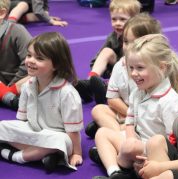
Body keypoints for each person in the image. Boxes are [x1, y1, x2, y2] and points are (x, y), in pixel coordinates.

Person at [90, 34, 178, 179]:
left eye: (140, 68)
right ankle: (115, 172)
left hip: (155, 153)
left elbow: (174, 142)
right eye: (131, 68)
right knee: (102, 133)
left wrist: (143, 156)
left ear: (162, 67)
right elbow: (130, 118)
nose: (134, 74)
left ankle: (119, 163)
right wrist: (130, 140)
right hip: (137, 142)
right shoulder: (138, 91)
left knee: (129, 147)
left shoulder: (170, 101)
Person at [0, 32, 84, 173]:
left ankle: (18, 156)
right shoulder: (28, 86)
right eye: (29, 55)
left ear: (56, 64)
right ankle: (45, 156)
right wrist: (17, 132)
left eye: (39, 58)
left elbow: (73, 132)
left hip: (57, 137)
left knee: (58, 141)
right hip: (35, 132)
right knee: (2, 126)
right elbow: (22, 119)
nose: (30, 60)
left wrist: (77, 153)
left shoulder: (67, 93)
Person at [85, 13, 162, 138]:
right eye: (126, 41)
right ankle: (119, 134)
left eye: (135, 42)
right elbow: (112, 99)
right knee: (98, 110)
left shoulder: (155, 70)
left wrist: (134, 119)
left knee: (149, 128)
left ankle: (111, 133)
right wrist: (129, 115)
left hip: (148, 118)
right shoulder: (119, 65)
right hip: (126, 112)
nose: (128, 47)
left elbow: (156, 106)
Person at [75, 0, 141, 104]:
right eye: (114, 19)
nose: (117, 23)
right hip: (117, 70)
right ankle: (90, 83)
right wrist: (105, 73)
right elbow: (97, 59)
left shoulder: (140, 36)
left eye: (122, 19)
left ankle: (106, 90)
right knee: (106, 51)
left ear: (134, 20)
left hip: (134, 72)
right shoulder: (112, 37)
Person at [0, 0, 32, 110]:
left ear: (2, 13)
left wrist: (11, 87)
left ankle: (10, 97)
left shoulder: (17, 30)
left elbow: (28, 64)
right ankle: (8, 97)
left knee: (39, 77)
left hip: (20, 80)